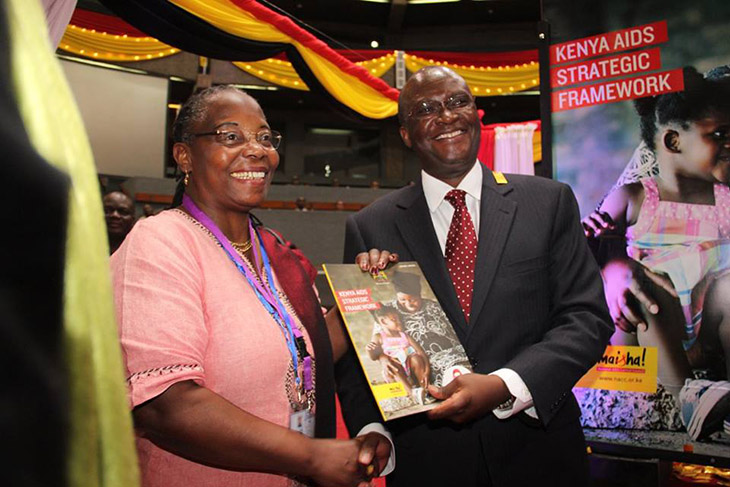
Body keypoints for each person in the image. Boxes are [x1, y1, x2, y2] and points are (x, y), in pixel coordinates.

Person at [335, 66, 613, 486]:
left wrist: (505, 385)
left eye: (457, 101)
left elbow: (587, 319)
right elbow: (358, 352)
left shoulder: (548, 202)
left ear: (476, 113)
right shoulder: (371, 226)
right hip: (428, 463)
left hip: (540, 457)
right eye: (427, 109)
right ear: (406, 134)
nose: (446, 116)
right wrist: (375, 431)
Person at [110, 85, 390, 487]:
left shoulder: (276, 252)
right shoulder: (160, 242)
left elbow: (309, 350)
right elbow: (163, 404)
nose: (257, 150)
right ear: (184, 155)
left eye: (264, 137)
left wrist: (367, 293)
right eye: (231, 136)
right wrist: (311, 455)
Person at [581, 68, 730, 404]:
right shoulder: (636, 194)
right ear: (674, 141)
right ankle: (687, 398)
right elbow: (585, 247)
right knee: (646, 292)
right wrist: (610, 263)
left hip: (704, 329)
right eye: (720, 134)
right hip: (646, 331)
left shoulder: (723, 199)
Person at [366, 305, 430, 401]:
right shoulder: (378, 337)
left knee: (416, 358)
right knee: (392, 363)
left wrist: (427, 371)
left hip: (409, 369)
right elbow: (374, 357)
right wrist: (369, 350)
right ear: (383, 322)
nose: (399, 322)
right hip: (395, 373)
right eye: (394, 319)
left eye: (399, 319)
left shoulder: (404, 336)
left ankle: (425, 390)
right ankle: (412, 394)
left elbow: (421, 353)